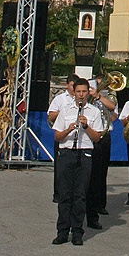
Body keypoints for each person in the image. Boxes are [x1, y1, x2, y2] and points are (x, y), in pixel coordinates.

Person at [52, 77, 103, 245]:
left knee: (80, 195)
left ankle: (77, 231)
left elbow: (96, 138)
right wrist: (69, 129)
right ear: (74, 92)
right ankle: (62, 231)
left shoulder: (94, 112)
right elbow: (57, 136)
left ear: (88, 93)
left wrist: (86, 126)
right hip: (66, 153)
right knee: (65, 194)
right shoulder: (66, 110)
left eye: (84, 92)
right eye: (78, 92)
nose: (81, 95)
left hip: (84, 154)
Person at [86, 75, 118, 228]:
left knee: (101, 171)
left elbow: (112, 108)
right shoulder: (85, 97)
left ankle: (100, 204)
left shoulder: (108, 96)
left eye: (102, 85)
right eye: (97, 85)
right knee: (89, 173)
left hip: (104, 135)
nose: (100, 87)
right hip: (90, 136)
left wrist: (98, 96)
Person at [47, 73, 78, 202]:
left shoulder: (81, 99)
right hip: (62, 135)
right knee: (60, 167)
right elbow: (50, 116)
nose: (74, 88)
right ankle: (58, 193)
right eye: (72, 86)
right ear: (67, 85)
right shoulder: (60, 99)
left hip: (76, 137)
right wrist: (65, 112)